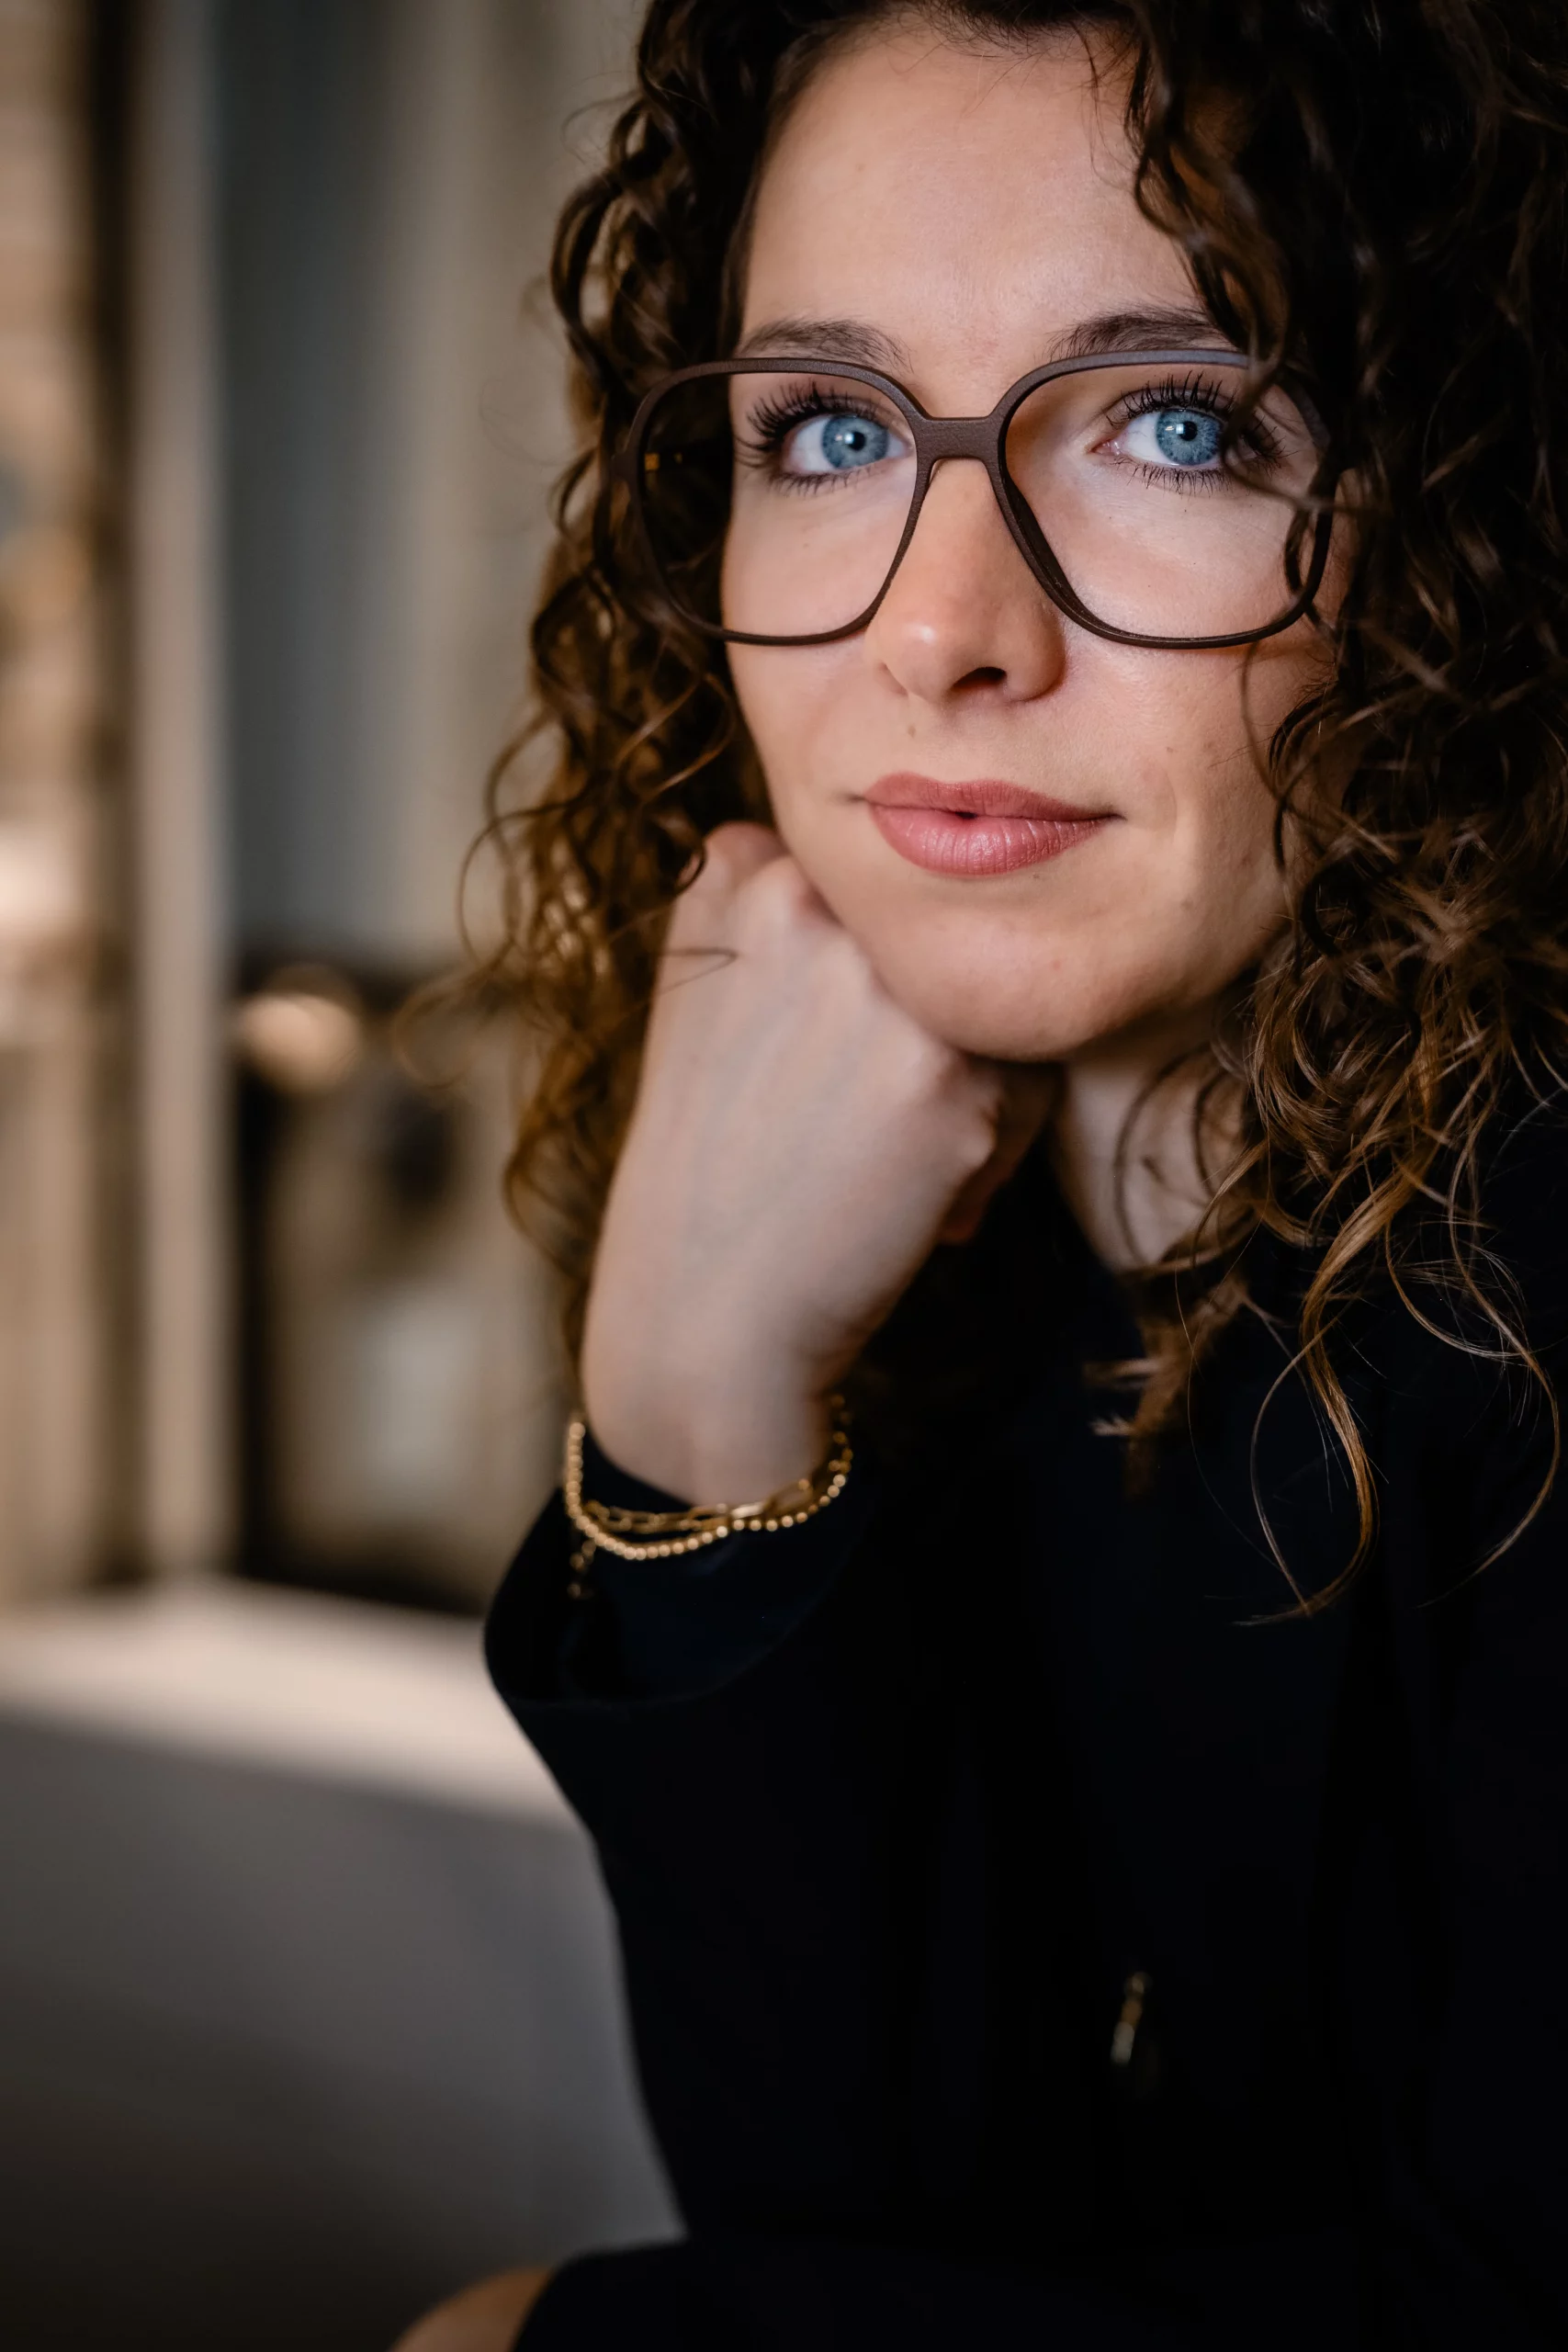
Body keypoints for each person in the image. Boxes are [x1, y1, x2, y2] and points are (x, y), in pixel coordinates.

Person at [395, 2, 1568, 2345]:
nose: (939, 632)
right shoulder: (876, 1202)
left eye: (1177, 422)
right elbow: (859, 2222)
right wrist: (699, 1393)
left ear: (1464, 528)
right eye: (828, 431)